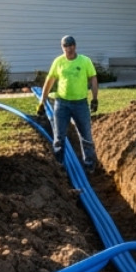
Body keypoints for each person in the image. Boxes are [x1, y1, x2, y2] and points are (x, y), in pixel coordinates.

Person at [36, 35, 99, 172]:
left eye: (70, 45)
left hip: (80, 104)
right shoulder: (58, 62)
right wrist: (43, 101)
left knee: (86, 136)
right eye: (65, 46)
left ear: (75, 46)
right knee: (59, 137)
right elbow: (50, 80)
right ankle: (59, 167)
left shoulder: (84, 61)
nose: (68, 49)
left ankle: (90, 166)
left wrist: (94, 98)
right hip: (62, 104)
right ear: (62, 47)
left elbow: (93, 78)